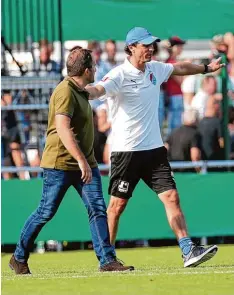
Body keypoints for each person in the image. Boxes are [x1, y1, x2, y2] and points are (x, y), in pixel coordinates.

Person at [86, 27, 225, 268]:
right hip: (125, 153)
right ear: (131, 47)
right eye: (145, 45)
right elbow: (98, 89)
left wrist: (206, 69)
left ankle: (188, 250)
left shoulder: (155, 69)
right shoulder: (119, 75)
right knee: (116, 207)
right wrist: (78, 89)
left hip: (154, 151)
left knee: (172, 197)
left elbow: (180, 68)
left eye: (152, 44)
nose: (151, 48)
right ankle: (106, 259)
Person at [9, 47, 134, 275]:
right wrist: (81, 161)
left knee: (97, 208)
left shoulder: (82, 90)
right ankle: (18, 257)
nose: (96, 69)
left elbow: (96, 94)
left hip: (85, 162)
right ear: (87, 70)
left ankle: (107, 260)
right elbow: (63, 128)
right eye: (94, 66)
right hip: (61, 164)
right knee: (45, 211)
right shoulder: (64, 91)